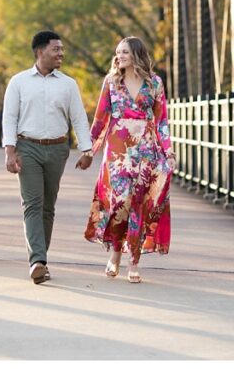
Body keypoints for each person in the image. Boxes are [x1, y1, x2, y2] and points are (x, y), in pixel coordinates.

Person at [1, 29, 94, 284]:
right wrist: (10, 150)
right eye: (56, 49)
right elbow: (9, 117)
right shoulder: (18, 82)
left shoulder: (68, 84)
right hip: (27, 147)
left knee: (48, 207)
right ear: (40, 51)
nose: (61, 53)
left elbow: (78, 118)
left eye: (62, 50)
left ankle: (42, 259)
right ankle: (37, 262)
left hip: (57, 149)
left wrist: (87, 150)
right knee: (32, 203)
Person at [84, 36, 172, 282]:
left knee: (138, 205)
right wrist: (89, 148)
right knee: (119, 202)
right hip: (117, 151)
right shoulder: (111, 81)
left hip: (145, 149)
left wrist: (168, 150)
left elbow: (161, 120)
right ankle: (114, 254)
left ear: (136, 54)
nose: (119, 56)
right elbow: (100, 118)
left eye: (124, 52)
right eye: (118, 52)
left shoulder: (154, 82)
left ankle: (133, 261)